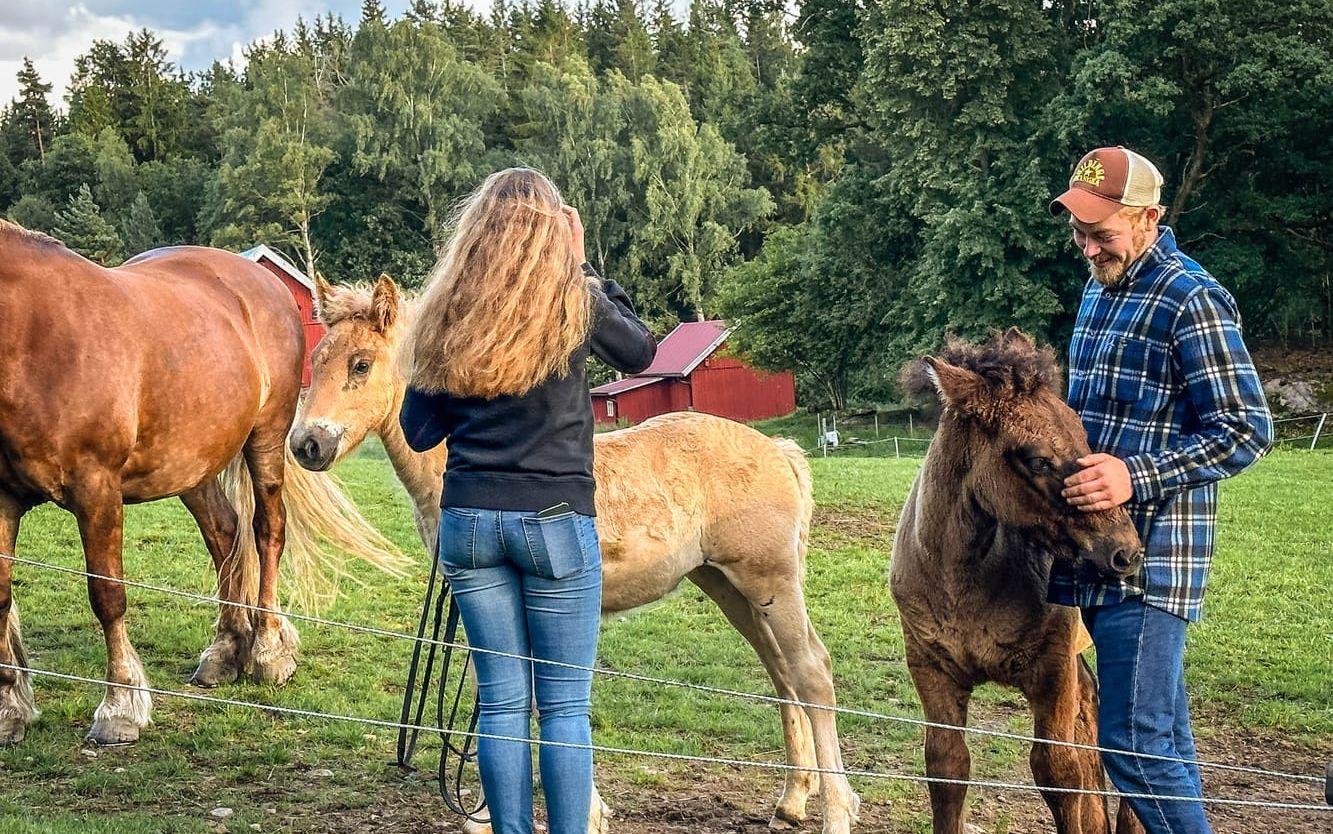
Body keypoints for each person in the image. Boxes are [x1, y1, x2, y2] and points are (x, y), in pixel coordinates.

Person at [398, 167, 657, 834]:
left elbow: (418, 430)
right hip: (554, 523)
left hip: (469, 523)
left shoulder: (448, 307)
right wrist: (584, 262)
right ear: (556, 232)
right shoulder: (571, 298)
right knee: (564, 709)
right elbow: (640, 351)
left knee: (502, 704)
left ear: (474, 234)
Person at [1049, 146, 1273, 833]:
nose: (1088, 247)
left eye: (1101, 233)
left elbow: (1245, 428)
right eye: (1079, 232)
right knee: (1162, 741)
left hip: (1152, 560)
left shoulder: (1189, 297)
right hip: (1093, 550)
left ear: (1148, 218)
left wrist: (1131, 473)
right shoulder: (1099, 286)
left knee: (1132, 746)